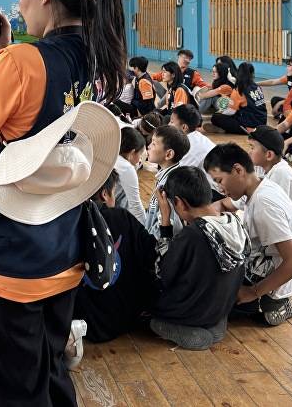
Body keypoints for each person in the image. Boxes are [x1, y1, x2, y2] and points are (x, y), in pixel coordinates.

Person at [0, 0, 127, 406]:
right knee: (48, 371)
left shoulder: (23, 62)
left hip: (5, 251)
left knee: (12, 390)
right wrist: (6, 53)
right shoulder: (100, 56)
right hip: (60, 242)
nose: (19, 5)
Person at [149, 166, 249, 349]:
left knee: (153, 319)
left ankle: (192, 331)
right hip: (220, 307)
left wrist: (165, 222)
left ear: (178, 202)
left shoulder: (193, 235)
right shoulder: (235, 222)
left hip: (191, 310)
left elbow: (163, 274)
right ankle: (213, 322)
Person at [204, 143, 292, 326]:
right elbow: (223, 204)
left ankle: (275, 306)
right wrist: (202, 217)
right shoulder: (257, 185)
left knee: (206, 301)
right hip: (258, 266)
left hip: (268, 288)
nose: (220, 188)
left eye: (219, 180)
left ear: (237, 170)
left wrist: (253, 292)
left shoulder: (264, 204)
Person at [73, 170, 157, 342]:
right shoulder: (121, 217)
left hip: (86, 324)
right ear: (104, 194)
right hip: (130, 317)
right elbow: (152, 255)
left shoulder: (70, 223)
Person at [144, 125, 190, 238]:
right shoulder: (168, 176)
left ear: (169, 154)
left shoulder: (170, 185)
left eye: (154, 144)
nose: (149, 146)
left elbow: (171, 225)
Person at [248, 127, 292, 214]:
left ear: (269, 155)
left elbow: (274, 209)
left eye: (252, 148)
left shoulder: (280, 172)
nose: (249, 152)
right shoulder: (261, 166)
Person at [209, 62, 267, 135]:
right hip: (262, 122)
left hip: (250, 125)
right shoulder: (257, 87)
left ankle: (226, 130)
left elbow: (231, 112)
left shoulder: (239, 90)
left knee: (215, 117)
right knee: (238, 111)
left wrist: (220, 112)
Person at [114, 127, 146, 224]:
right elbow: (135, 205)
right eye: (140, 154)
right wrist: (145, 228)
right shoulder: (126, 168)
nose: (140, 159)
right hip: (110, 211)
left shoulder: (113, 155)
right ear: (132, 152)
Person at [170, 104, 215, 170]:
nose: (168, 125)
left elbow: (177, 175)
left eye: (171, 122)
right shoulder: (196, 137)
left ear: (184, 127)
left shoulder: (190, 149)